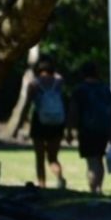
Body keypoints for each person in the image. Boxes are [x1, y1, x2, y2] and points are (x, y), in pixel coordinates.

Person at [13, 58, 67, 189]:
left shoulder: (34, 84)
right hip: (57, 122)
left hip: (39, 122)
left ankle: (42, 185)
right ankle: (60, 178)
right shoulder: (59, 82)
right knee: (53, 157)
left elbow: (27, 104)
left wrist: (21, 121)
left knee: (40, 157)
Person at [69, 62, 111, 194]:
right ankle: (99, 188)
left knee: (92, 161)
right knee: (99, 159)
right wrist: (110, 131)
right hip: (103, 129)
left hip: (87, 130)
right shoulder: (105, 89)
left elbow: (74, 111)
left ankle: (93, 189)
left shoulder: (80, 90)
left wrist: (70, 129)